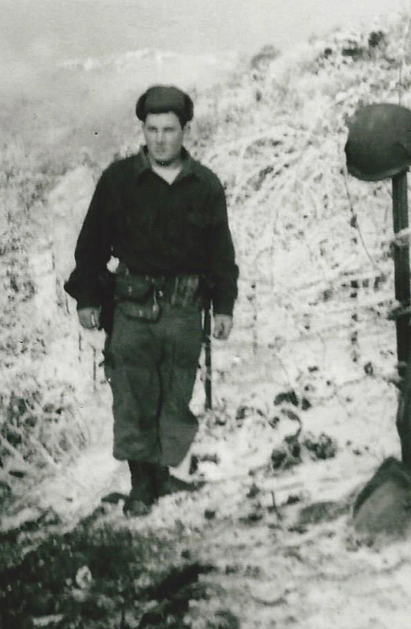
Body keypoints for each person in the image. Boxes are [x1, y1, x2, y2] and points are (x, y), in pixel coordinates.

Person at [64, 85, 239, 517]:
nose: (160, 139)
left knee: (175, 395)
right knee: (133, 395)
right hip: (133, 307)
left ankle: (161, 474)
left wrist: (224, 306)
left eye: (169, 130)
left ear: (185, 131)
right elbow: (91, 244)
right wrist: (88, 298)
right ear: (143, 130)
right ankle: (140, 484)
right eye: (152, 129)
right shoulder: (119, 180)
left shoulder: (205, 185)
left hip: (184, 308)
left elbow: (221, 253)